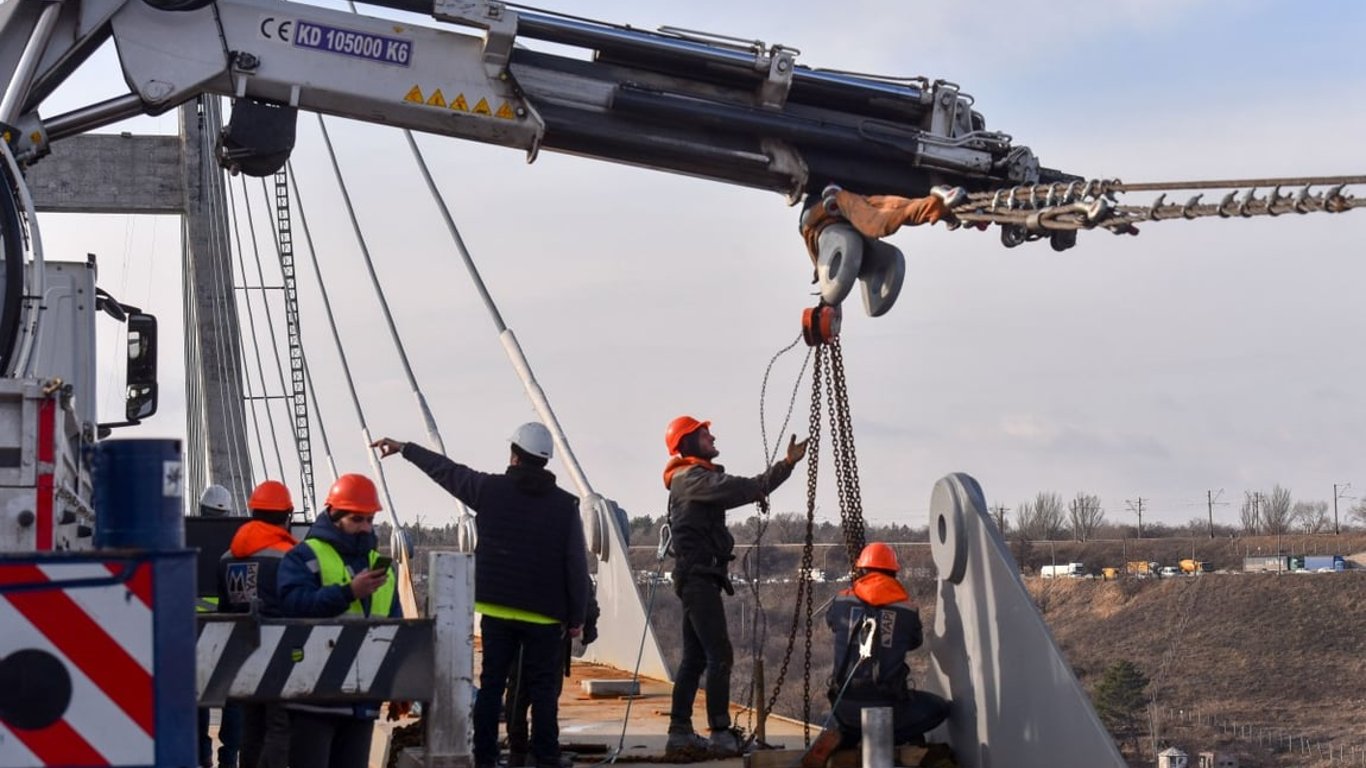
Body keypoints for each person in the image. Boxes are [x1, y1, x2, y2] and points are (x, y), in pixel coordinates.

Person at [372, 423, 588, 768]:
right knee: (544, 691)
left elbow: (447, 472)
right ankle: (546, 756)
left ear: (514, 455)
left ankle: (485, 757)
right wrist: (577, 616)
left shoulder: (489, 490)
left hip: (498, 610)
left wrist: (406, 448)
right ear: (545, 461)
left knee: (491, 686)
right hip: (545, 617)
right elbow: (575, 564)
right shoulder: (565, 506)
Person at [661, 416, 809, 756]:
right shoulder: (692, 479)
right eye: (704, 434)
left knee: (695, 658)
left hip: (699, 578)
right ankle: (720, 733)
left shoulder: (695, 479)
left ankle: (680, 732)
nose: (712, 437)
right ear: (687, 442)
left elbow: (735, 490)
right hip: (698, 579)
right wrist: (784, 466)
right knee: (718, 654)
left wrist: (781, 470)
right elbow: (740, 488)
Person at [277, 473, 400, 768]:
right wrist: (348, 592)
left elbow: (398, 630)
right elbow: (294, 605)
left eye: (370, 520)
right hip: (315, 698)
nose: (365, 528)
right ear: (335, 516)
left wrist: (398, 686)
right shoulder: (304, 557)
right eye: (357, 520)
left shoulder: (382, 569)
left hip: (363, 698)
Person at [823, 542, 949, 750]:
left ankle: (853, 734)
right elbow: (913, 643)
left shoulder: (841, 601)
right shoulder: (907, 611)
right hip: (885, 709)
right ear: (893, 573)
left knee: (855, 713)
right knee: (940, 709)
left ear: (861, 569)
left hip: (842, 707)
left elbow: (832, 623)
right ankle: (890, 740)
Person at [217, 480, 298, 768]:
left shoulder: (228, 558)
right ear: (287, 514)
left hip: (242, 654)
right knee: (279, 726)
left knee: (251, 728)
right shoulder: (290, 558)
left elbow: (224, 609)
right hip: (280, 654)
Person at [504, 586, 600, 767]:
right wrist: (588, 622)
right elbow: (580, 584)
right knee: (545, 692)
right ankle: (542, 751)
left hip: (515, 626)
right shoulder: (561, 556)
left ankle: (518, 750)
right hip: (551, 630)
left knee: (517, 690)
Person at [197, 484, 243, 768]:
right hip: (230, 633)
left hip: (194, 633)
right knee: (235, 699)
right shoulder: (238, 545)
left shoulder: (186, 537)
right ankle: (229, 758)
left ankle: (202, 756)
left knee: (198, 698)